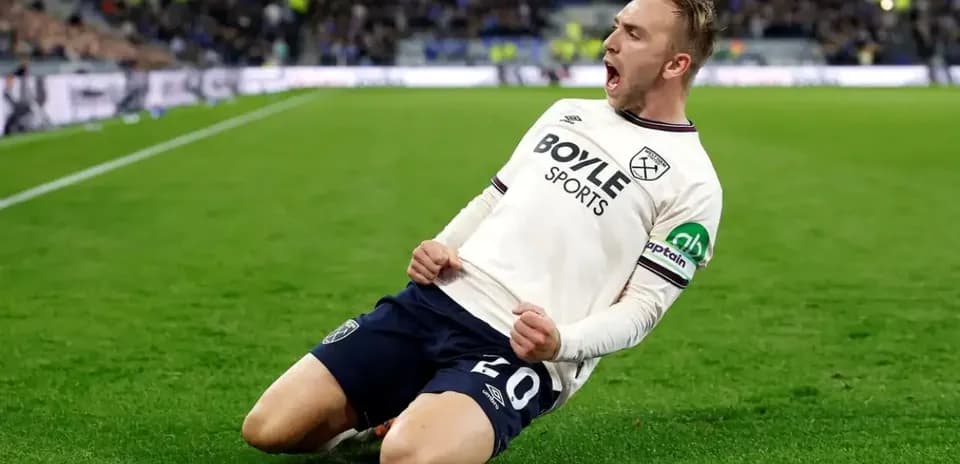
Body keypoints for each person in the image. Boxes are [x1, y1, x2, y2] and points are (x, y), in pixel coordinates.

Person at [241, 1, 724, 463]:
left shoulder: (694, 184)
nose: (609, 41)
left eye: (633, 34)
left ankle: (424, 417)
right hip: (437, 302)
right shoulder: (567, 113)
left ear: (675, 64)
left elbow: (642, 310)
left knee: (408, 456)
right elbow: (494, 198)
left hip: (519, 347)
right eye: (617, 25)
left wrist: (561, 343)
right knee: (269, 428)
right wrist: (442, 245)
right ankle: (403, 409)